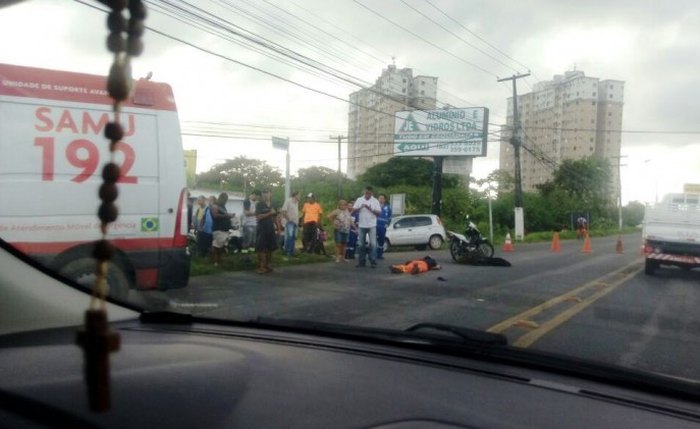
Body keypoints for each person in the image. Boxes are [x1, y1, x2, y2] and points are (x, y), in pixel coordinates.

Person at [352, 186, 381, 268]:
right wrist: (360, 207)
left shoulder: (375, 201)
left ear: (372, 193)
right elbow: (353, 211)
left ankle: (373, 261)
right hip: (361, 225)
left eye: (369, 193)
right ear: (364, 192)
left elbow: (379, 213)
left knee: (373, 244)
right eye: (366, 193)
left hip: (372, 224)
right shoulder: (359, 199)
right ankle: (361, 262)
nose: (367, 194)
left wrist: (370, 208)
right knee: (361, 244)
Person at [255, 189, 278, 274]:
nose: (265, 195)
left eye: (267, 193)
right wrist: (269, 213)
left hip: (270, 228)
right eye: (263, 193)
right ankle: (262, 266)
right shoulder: (259, 204)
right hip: (262, 229)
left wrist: (279, 227)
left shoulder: (273, 204)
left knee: (270, 248)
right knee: (261, 248)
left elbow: (275, 217)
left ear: (270, 194)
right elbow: (259, 217)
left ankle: (268, 264)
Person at [210, 192, 234, 267]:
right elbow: (215, 215)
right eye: (225, 199)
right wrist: (227, 216)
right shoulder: (215, 205)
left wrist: (229, 215)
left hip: (224, 229)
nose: (226, 201)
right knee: (217, 246)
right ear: (222, 198)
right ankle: (215, 261)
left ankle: (218, 260)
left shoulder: (223, 206)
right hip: (218, 228)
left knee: (220, 245)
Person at [280, 191, 299, 257]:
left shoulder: (297, 203)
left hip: (295, 222)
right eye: (299, 195)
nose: (300, 196)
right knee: (289, 237)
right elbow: (283, 211)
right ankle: (287, 252)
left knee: (293, 237)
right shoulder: (288, 201)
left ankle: (291, 251)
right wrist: (289, 220)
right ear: (295, 195)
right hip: (289, 222)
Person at [242, 190, 260, 255]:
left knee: (253, 241)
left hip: (254, 223)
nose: (257, 199)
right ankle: (244, 253)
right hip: (248, 224)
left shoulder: (255, 202)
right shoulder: (247, 201)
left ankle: (251, 253)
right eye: (257, 197)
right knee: (247, 240)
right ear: (254, 194)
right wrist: (256, 213)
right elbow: (246, 213)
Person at [376, 193, 392, 259]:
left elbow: (390, 217)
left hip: (383, 226)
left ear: (385, 200)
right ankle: (373, 254)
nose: (381, 199)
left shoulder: (388, 207)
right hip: (375, 225)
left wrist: (387, 224)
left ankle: (380, 255)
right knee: (374, 240)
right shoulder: (375, 206)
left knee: (381, 240)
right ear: (378, 199)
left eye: (382, 198)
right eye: (380, 198)